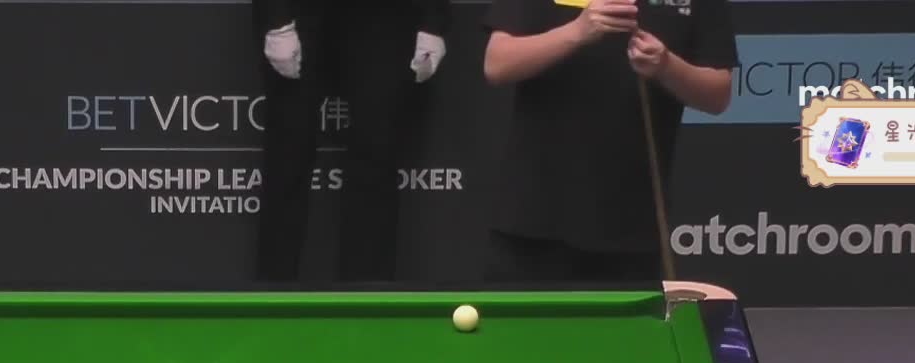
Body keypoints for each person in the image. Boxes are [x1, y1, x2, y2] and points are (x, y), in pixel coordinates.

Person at [482, 0, 736, 284]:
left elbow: (718, 95)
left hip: (632, 232)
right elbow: (497, 64)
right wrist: (578, 31)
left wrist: (666, 65)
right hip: (530, 226)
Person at [253, 0, 450, 283]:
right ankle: (273, 294)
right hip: (300, 10)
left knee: (377, 153)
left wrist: (433, 20)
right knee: (287, 156)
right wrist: (275, 18)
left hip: (385, 14)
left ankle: (367, 298)